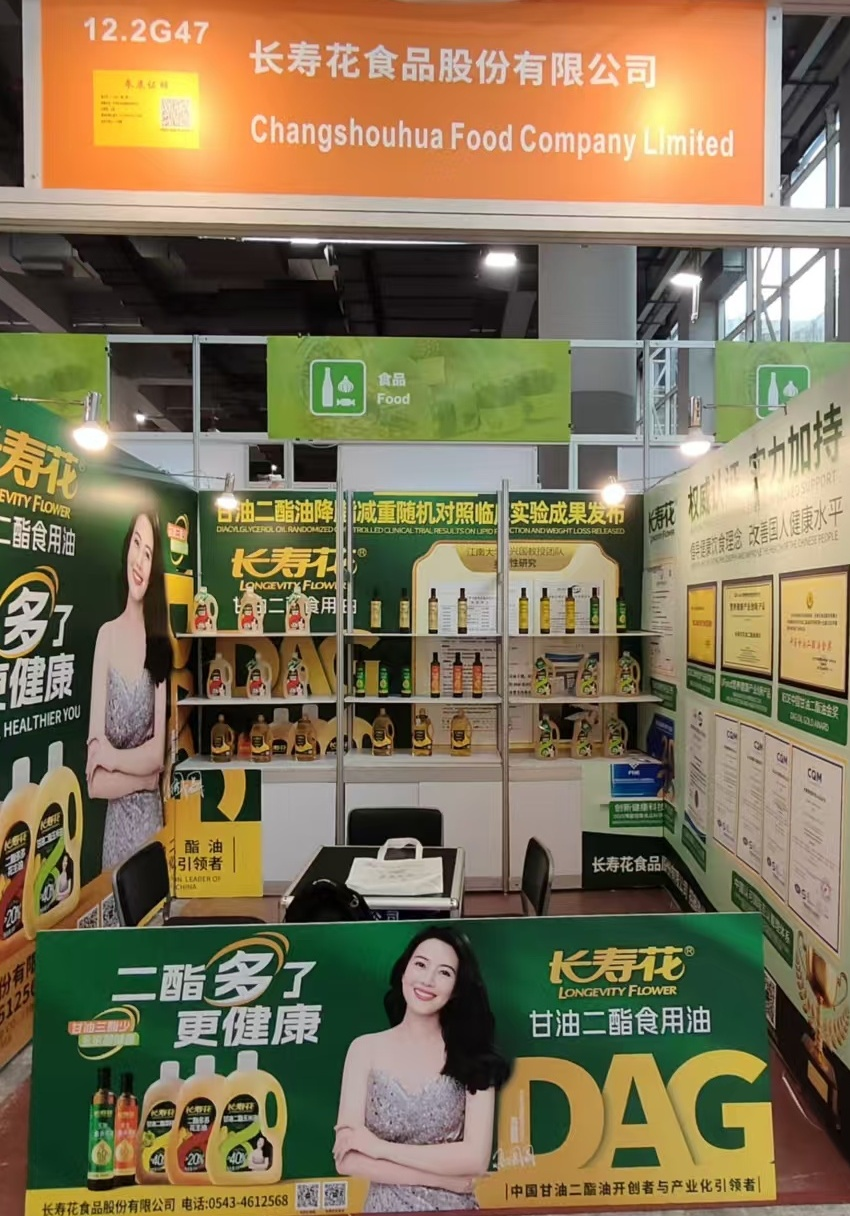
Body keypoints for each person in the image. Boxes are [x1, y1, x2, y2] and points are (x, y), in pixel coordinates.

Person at [333, 927, 510, 1212]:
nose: (427, 980)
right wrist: (445, 1181)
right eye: (420, 964)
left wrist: (379, 1148)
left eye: (444, 973)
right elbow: (347, 1158)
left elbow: (475, 1158)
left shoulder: (473, 1054)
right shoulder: (364, 1049)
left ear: (456, 989)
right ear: (404, 970)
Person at [87, 510, 171, 870]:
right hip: (115, 832)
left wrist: (113, 758)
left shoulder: (159, 644)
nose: (139, 560)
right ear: (126, 550)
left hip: (151, 827)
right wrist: (143, 777)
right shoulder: (105, 637)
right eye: (137, 544)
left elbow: (157, 759)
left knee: (153, 899)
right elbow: (94, 783)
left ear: (155, 570)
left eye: (149, 553)